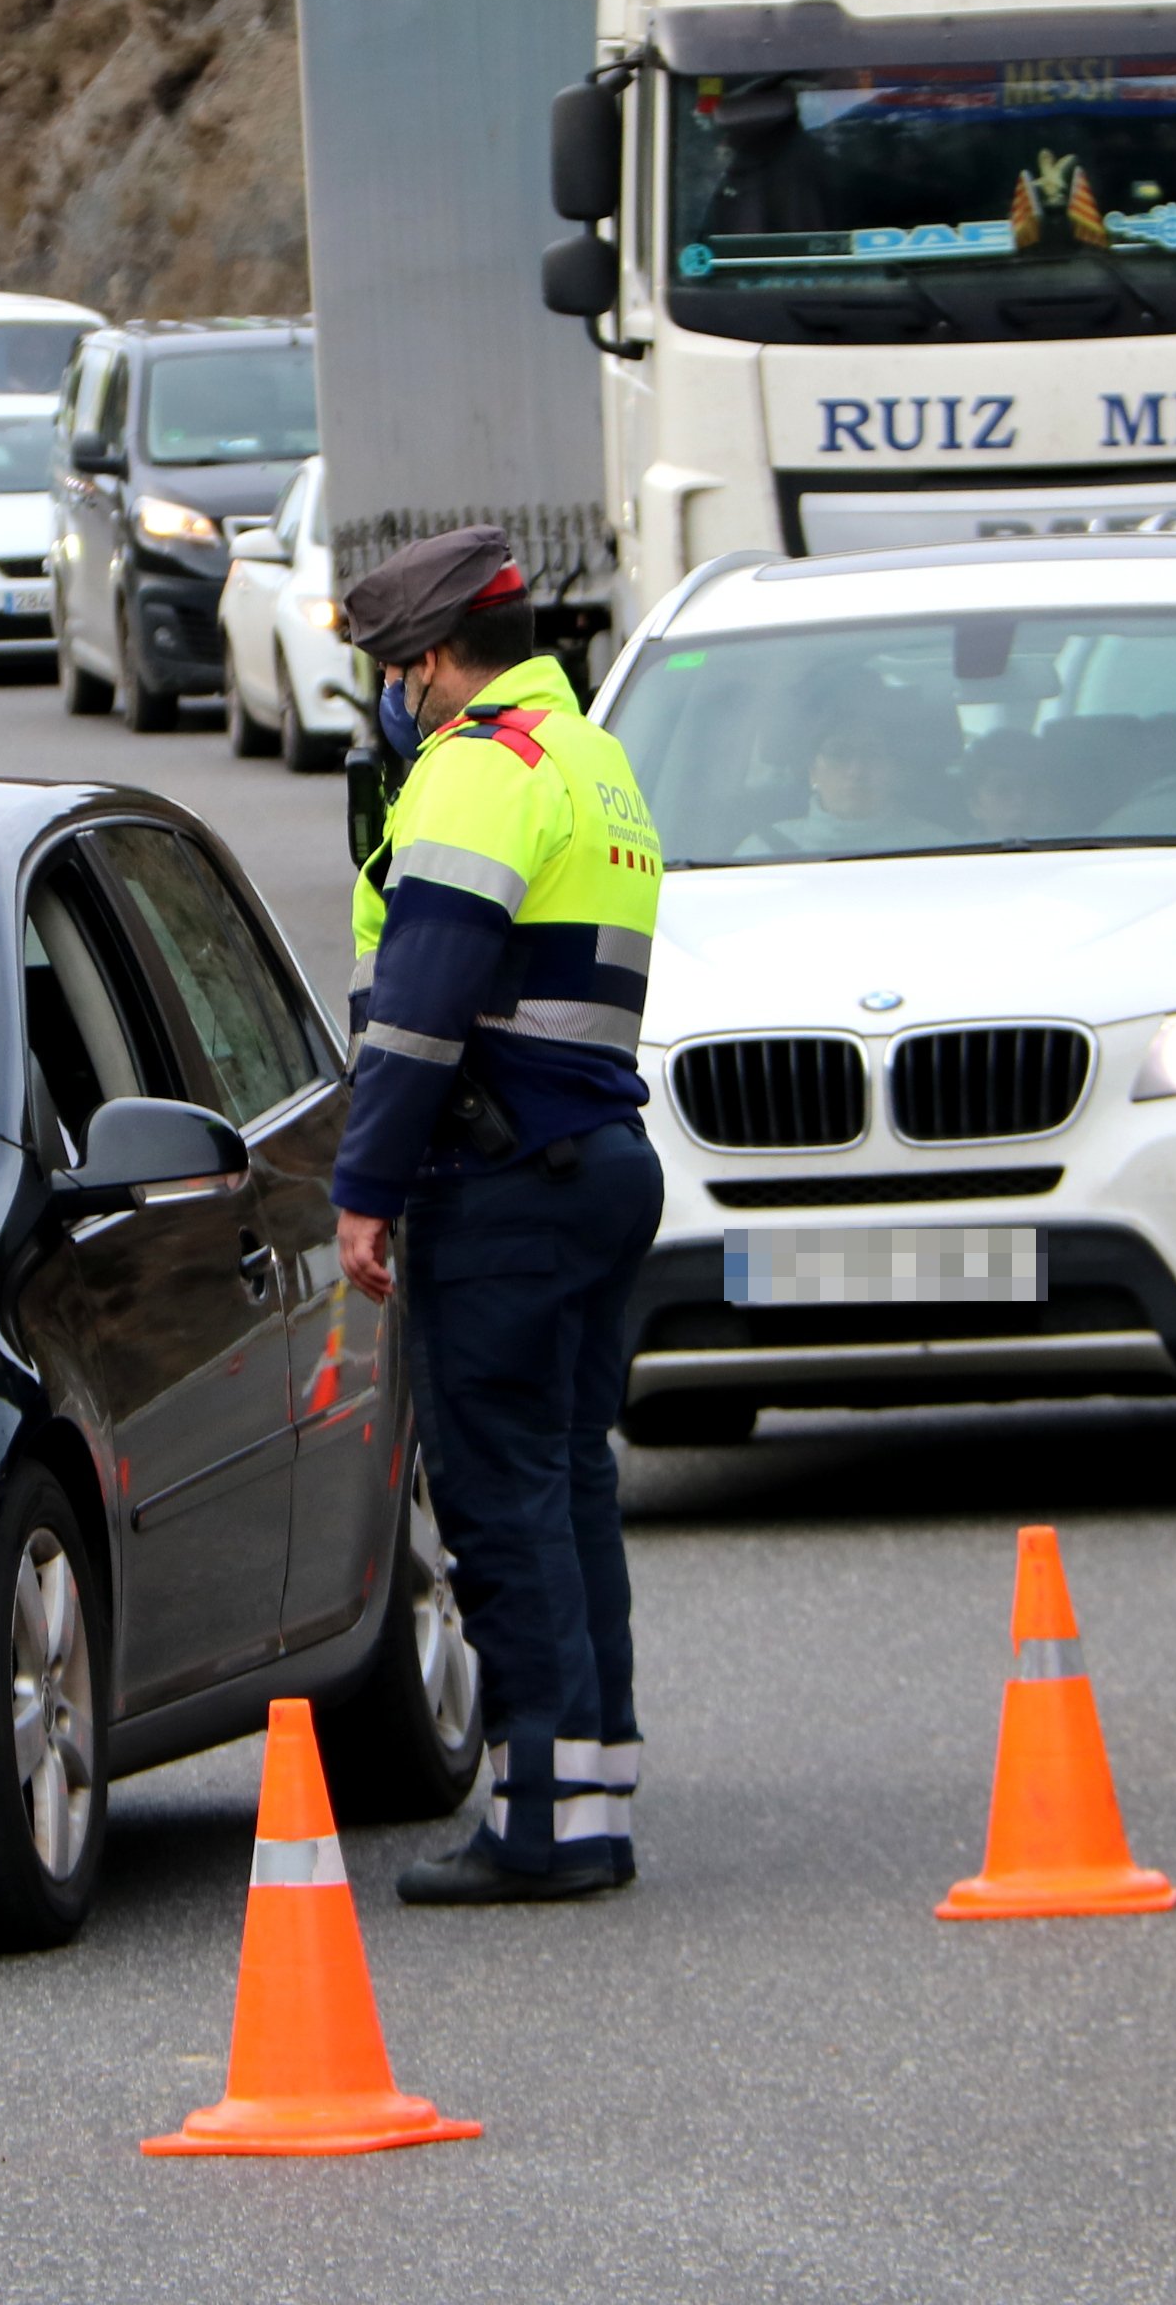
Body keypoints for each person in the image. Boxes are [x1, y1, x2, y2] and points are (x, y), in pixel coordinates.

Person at [330, 525, 667, 1906]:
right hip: (595, 1161)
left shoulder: (477, 770)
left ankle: (542, 1819)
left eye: (395, 677)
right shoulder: (591, 758)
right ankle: (590, 1790)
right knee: (567, 1481)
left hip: (506, 1179)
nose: (396, 702)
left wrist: (362, 1188)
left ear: (427, 667)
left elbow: (419, 1013)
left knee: (498, 1490)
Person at [753, 696, 954, 857]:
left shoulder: (939, 848)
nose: (856, 771)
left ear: (894, 771)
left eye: (872, 754)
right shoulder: (762, 849)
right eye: (838, 754)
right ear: (812, 770)